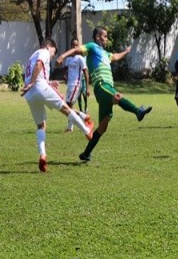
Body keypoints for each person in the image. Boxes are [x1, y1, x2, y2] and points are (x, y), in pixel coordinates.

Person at [56, 27, 153, 162]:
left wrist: (126, 51)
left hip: (107, 88)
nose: (106, 39)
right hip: (101, 85)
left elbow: (115, 56)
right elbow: (77, 50)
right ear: (97, 37)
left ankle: (86, 154)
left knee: (103, 127)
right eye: (105, 36)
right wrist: (62, 56)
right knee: (118, 97)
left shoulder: (106, 53)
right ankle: (138, 111)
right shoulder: (92, 47)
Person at [21, 39, 94, 172]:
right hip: (37, 87)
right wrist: (33, 82)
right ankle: (87, 131)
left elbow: (38, 72)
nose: (53, 55)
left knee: (41, 125)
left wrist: (49, 83)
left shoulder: (32, 55)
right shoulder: (44, 51)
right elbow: (39, 64)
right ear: (49, 46)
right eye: (54, 51)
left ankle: (42, 154)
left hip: (30, 95)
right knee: (66, 109)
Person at [63, 38, 90, 133]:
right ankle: (80, 119)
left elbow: (86, 73)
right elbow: (66, 70)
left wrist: (87, 88)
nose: (74, 47)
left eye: (76, 45)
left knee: (67, 106)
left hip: (76, 84)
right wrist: (65, 76)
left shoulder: (80, 58)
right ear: (71, 46)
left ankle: (81, 119)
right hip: (69, 84)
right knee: (68, 106)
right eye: (73, 45)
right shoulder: (68, 59)